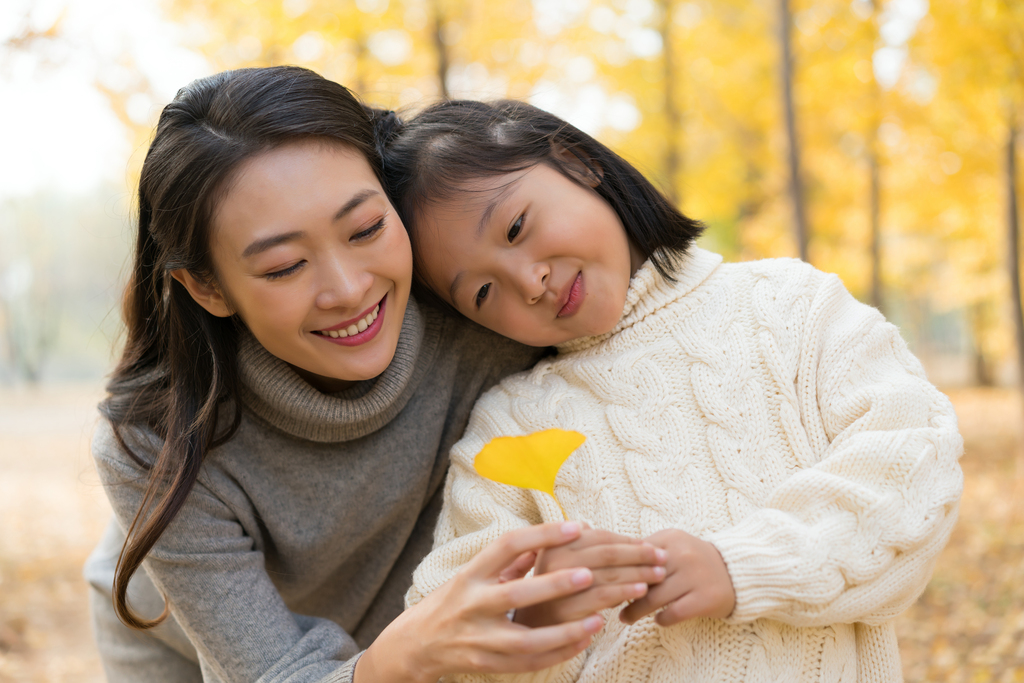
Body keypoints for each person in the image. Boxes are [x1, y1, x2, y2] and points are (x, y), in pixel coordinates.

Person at [83, 67, 671, 683]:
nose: (349, 289)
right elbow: (274, 672)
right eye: (285, 266)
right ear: (206, 287)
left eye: (366, 229)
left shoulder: (480, 307)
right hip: (192, 650)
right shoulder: (154, 445)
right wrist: (399, 657)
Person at [381, 99, 965, 682]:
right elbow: (446, 637)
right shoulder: (510, 429)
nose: (528, 281)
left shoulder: (793, 308)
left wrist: (740, 566)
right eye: (483, 292)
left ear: (578, 162)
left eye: (515, 227)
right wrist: (539, 624)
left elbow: (914, 464)